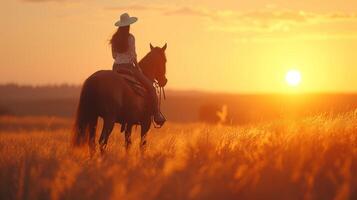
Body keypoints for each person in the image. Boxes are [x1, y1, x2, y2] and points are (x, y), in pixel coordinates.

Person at [110, 13, 166, 126]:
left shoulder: (114, 39)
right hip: (129, 67)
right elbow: (133, 55)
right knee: (151, 88)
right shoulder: (130, 38)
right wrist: (138, 68)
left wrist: (120, 60)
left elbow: (114, 56)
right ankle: (157, 114)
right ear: (128, 25)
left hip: (116, 68)